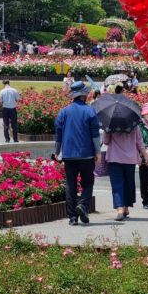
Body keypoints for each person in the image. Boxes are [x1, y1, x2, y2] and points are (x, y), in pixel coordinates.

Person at [54, 81, 101, 225]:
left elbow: (58, 135)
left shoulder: (63, 112)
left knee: (71, 185)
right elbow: (95, 134)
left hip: (68, 154)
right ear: (84, 95)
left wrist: (57, 152)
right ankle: (83, 204)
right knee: (87, 183)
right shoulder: (89, 111)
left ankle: (72, 218)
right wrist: (98, 152)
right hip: (86, 153)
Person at [102, 109, 148, 222]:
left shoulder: (110, 126)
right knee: (128, 184)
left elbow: (105, 141)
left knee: (117, 184)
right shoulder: (134, 125)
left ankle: (119, 209)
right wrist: (146, 157)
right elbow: (140, 143)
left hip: (115, 158)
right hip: (130, 159)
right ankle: (125, 208)